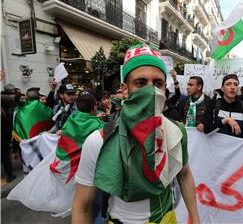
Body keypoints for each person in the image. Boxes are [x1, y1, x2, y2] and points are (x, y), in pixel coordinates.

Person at [72, 44, 200, 224]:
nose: (151, 90)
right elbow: (82, 207)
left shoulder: (176, 133)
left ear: (164, 89)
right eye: (141, 83)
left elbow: (184, 174)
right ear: (125, 90)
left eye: (158, 83)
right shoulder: (99, 141)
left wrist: (195, 218)